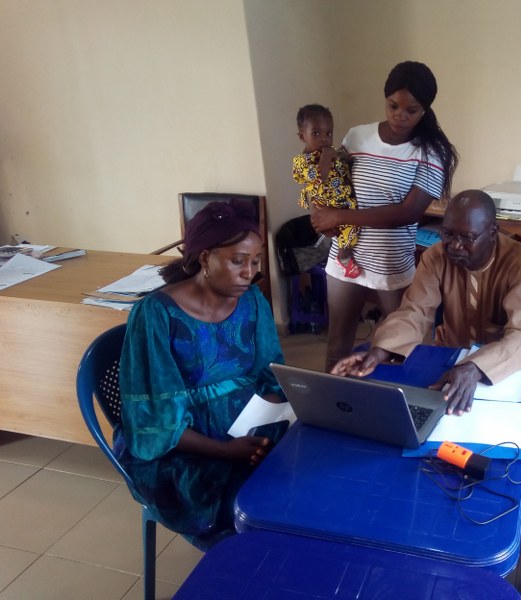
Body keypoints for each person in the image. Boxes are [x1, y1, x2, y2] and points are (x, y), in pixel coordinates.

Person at [116, 199, 287, 550]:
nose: (249, 272)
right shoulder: (156, 314)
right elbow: (157, 417)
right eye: (238, 261)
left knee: (306, 473)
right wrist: (226, 450)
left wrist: (263, 426)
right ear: (205, 258)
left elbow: (270, 374)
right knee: (252, 506)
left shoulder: (253, 300)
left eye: (256, 261)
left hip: (245, 426)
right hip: (182, 444)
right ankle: (246, 567)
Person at [331, 190, 521, 415]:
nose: (455, 246)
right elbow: (414, 311)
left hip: (502, 366)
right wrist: (380, 351)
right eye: (447, 234)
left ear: (492, 232)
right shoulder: (435, 257)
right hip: (449, 355)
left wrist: (476, 367)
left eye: (467, 237)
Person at [310, 60, 459, 372]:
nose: (400, 115)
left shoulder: (431, 151)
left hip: (391, 263)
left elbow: (407, 213)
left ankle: (394, 399)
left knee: (397, 346)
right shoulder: (357, 136)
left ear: (424, 109)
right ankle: (334, 399)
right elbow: (335, 183)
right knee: (337, 344)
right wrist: (321, 212)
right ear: (386, 99)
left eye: (411, 110)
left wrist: (339, 217)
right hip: (345, 256)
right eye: (393, 105)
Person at [292, 103, 361, 278]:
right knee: (347, 227)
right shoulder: (302, 161)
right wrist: (327, 156)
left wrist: (346, 161)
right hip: (327, 205)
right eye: (316, 133)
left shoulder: (330, 152)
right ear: (302, 136)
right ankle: (343, 258)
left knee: (351, 226)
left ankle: (344, 254)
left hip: (343, 202)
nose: (324, 139)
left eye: (328, 133)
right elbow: (319, 178)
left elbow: (342, 165)